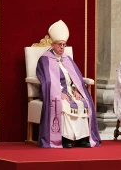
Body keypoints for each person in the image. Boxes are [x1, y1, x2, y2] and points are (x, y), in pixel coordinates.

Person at [36, 20, 101, 148]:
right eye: (59, 44)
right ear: (52, 45)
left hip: (70, 91)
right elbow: (46, 80)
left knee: (83, 101)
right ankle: (65, 139)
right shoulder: (45, 59)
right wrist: (58, 93)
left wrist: (77, 90)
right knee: (64, 104)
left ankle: (82, 138)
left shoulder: (67, 59)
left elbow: (75, 78)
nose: (62, 47)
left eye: (64, 45)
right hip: (54, 92)